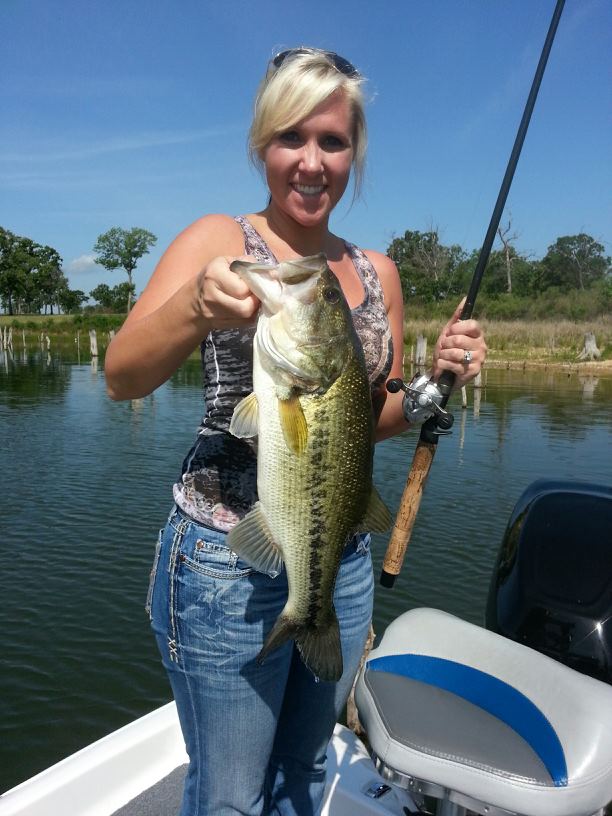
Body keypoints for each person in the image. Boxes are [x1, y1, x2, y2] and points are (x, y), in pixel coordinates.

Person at [105, 47, 487, 816]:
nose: (311, 162)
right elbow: (121, 377)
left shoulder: (378, 273)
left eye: (333, 142)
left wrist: (426, 388)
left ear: (355, 154)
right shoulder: (219, 240)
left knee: (306, 777)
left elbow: (360, 420)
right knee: (232, 800)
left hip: (338, 562)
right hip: (222, 564)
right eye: (291, 138)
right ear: (261, 146)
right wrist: (194, 309)